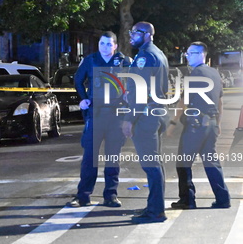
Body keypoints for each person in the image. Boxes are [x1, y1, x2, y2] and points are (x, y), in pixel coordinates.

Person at [68, 31, 131, 207]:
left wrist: (128, 94)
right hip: (95, 114)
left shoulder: (123, 61)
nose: (105, 47)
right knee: (89, 157)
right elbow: (78, 80)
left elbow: (135, 79)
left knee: (113, 157)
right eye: (102, 44)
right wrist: (83, 99)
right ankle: (83, 195)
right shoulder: (91, 60)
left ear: (115, 46)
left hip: (116, 115)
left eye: (109, 44)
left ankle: (111, 195)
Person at [168, 41, 230, 209]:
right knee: (211, 162)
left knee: (183, 162)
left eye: (191, 53)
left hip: (195, 126)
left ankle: (187, 199)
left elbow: (183, 101)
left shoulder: (194, 74)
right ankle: (223, 198)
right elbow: (220, 102)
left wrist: (173, 123)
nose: (188, 56)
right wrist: (217, 124)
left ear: (202, 54)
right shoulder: (215, 74)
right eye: (187, 53)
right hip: (210, 124)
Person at [122, 21, 169, 223]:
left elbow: (141, 91)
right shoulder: (158, 53)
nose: (131, 35)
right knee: (155, 163)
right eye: (130, 31)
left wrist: (129, 119)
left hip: (145, 116)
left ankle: (156, 211)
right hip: (157, 113)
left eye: (136, 32)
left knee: (151, 164)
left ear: (148, 34)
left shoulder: (145, 56)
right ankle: (154, 205)